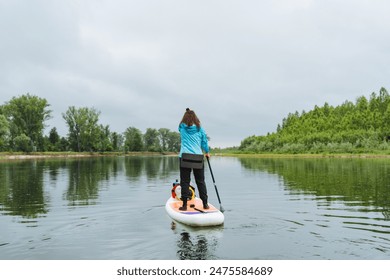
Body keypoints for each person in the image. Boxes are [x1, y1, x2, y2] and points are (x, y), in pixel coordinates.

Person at [178, 108, 210, 211]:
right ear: (196, 118)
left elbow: (180, 125)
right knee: (200, 181)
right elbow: (204, 142)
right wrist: (207, 152)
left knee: (185, 181)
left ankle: (184, 205)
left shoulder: (182, 128)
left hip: (185, 157)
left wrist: (187, 113)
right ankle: (205, 204)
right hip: (198, 157)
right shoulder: (200, 129)